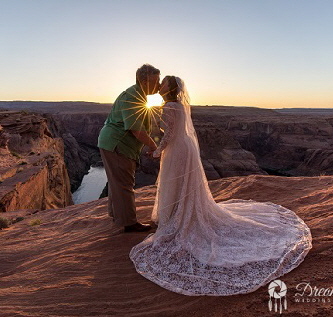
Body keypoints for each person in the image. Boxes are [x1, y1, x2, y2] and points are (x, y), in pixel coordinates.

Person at [129, 76, 313, 295]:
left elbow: (168, 134)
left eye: (164, 82)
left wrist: (157, 151)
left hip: (176, 151)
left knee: (174, 184)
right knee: (183, 185)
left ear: (171, 88)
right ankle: (179, 216)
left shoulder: (169, 106)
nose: (160, 85)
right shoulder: (177, 105)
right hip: (185, 148)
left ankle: (175, 220)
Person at [97, 64, 160, 232]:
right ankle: (129, 222)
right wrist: (154, 146)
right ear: (144, 80)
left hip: (111, 143)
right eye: (156, 80)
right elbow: (136, 129)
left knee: (116, 181)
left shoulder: (136, 94)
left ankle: (116, 214)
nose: (159, 85)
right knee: (124, 183)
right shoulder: (134, 97)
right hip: (117, 144)